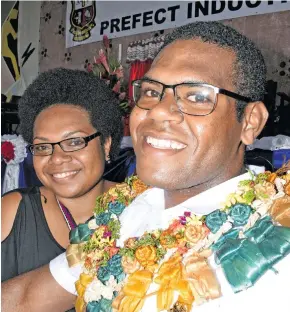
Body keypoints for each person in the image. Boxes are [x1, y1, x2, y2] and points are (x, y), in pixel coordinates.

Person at [3, 22, 290, 312]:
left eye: (197, 96)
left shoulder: (271, 245)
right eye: (152, 91)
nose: (159, 110)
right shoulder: (123, 211)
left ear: (250, 122)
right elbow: (26, 297)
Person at [1, 68, 123, 311]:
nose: (57, 158)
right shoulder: (13, 210)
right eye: (43, 147)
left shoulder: (141, 207)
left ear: (106, 144)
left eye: (75, 142)